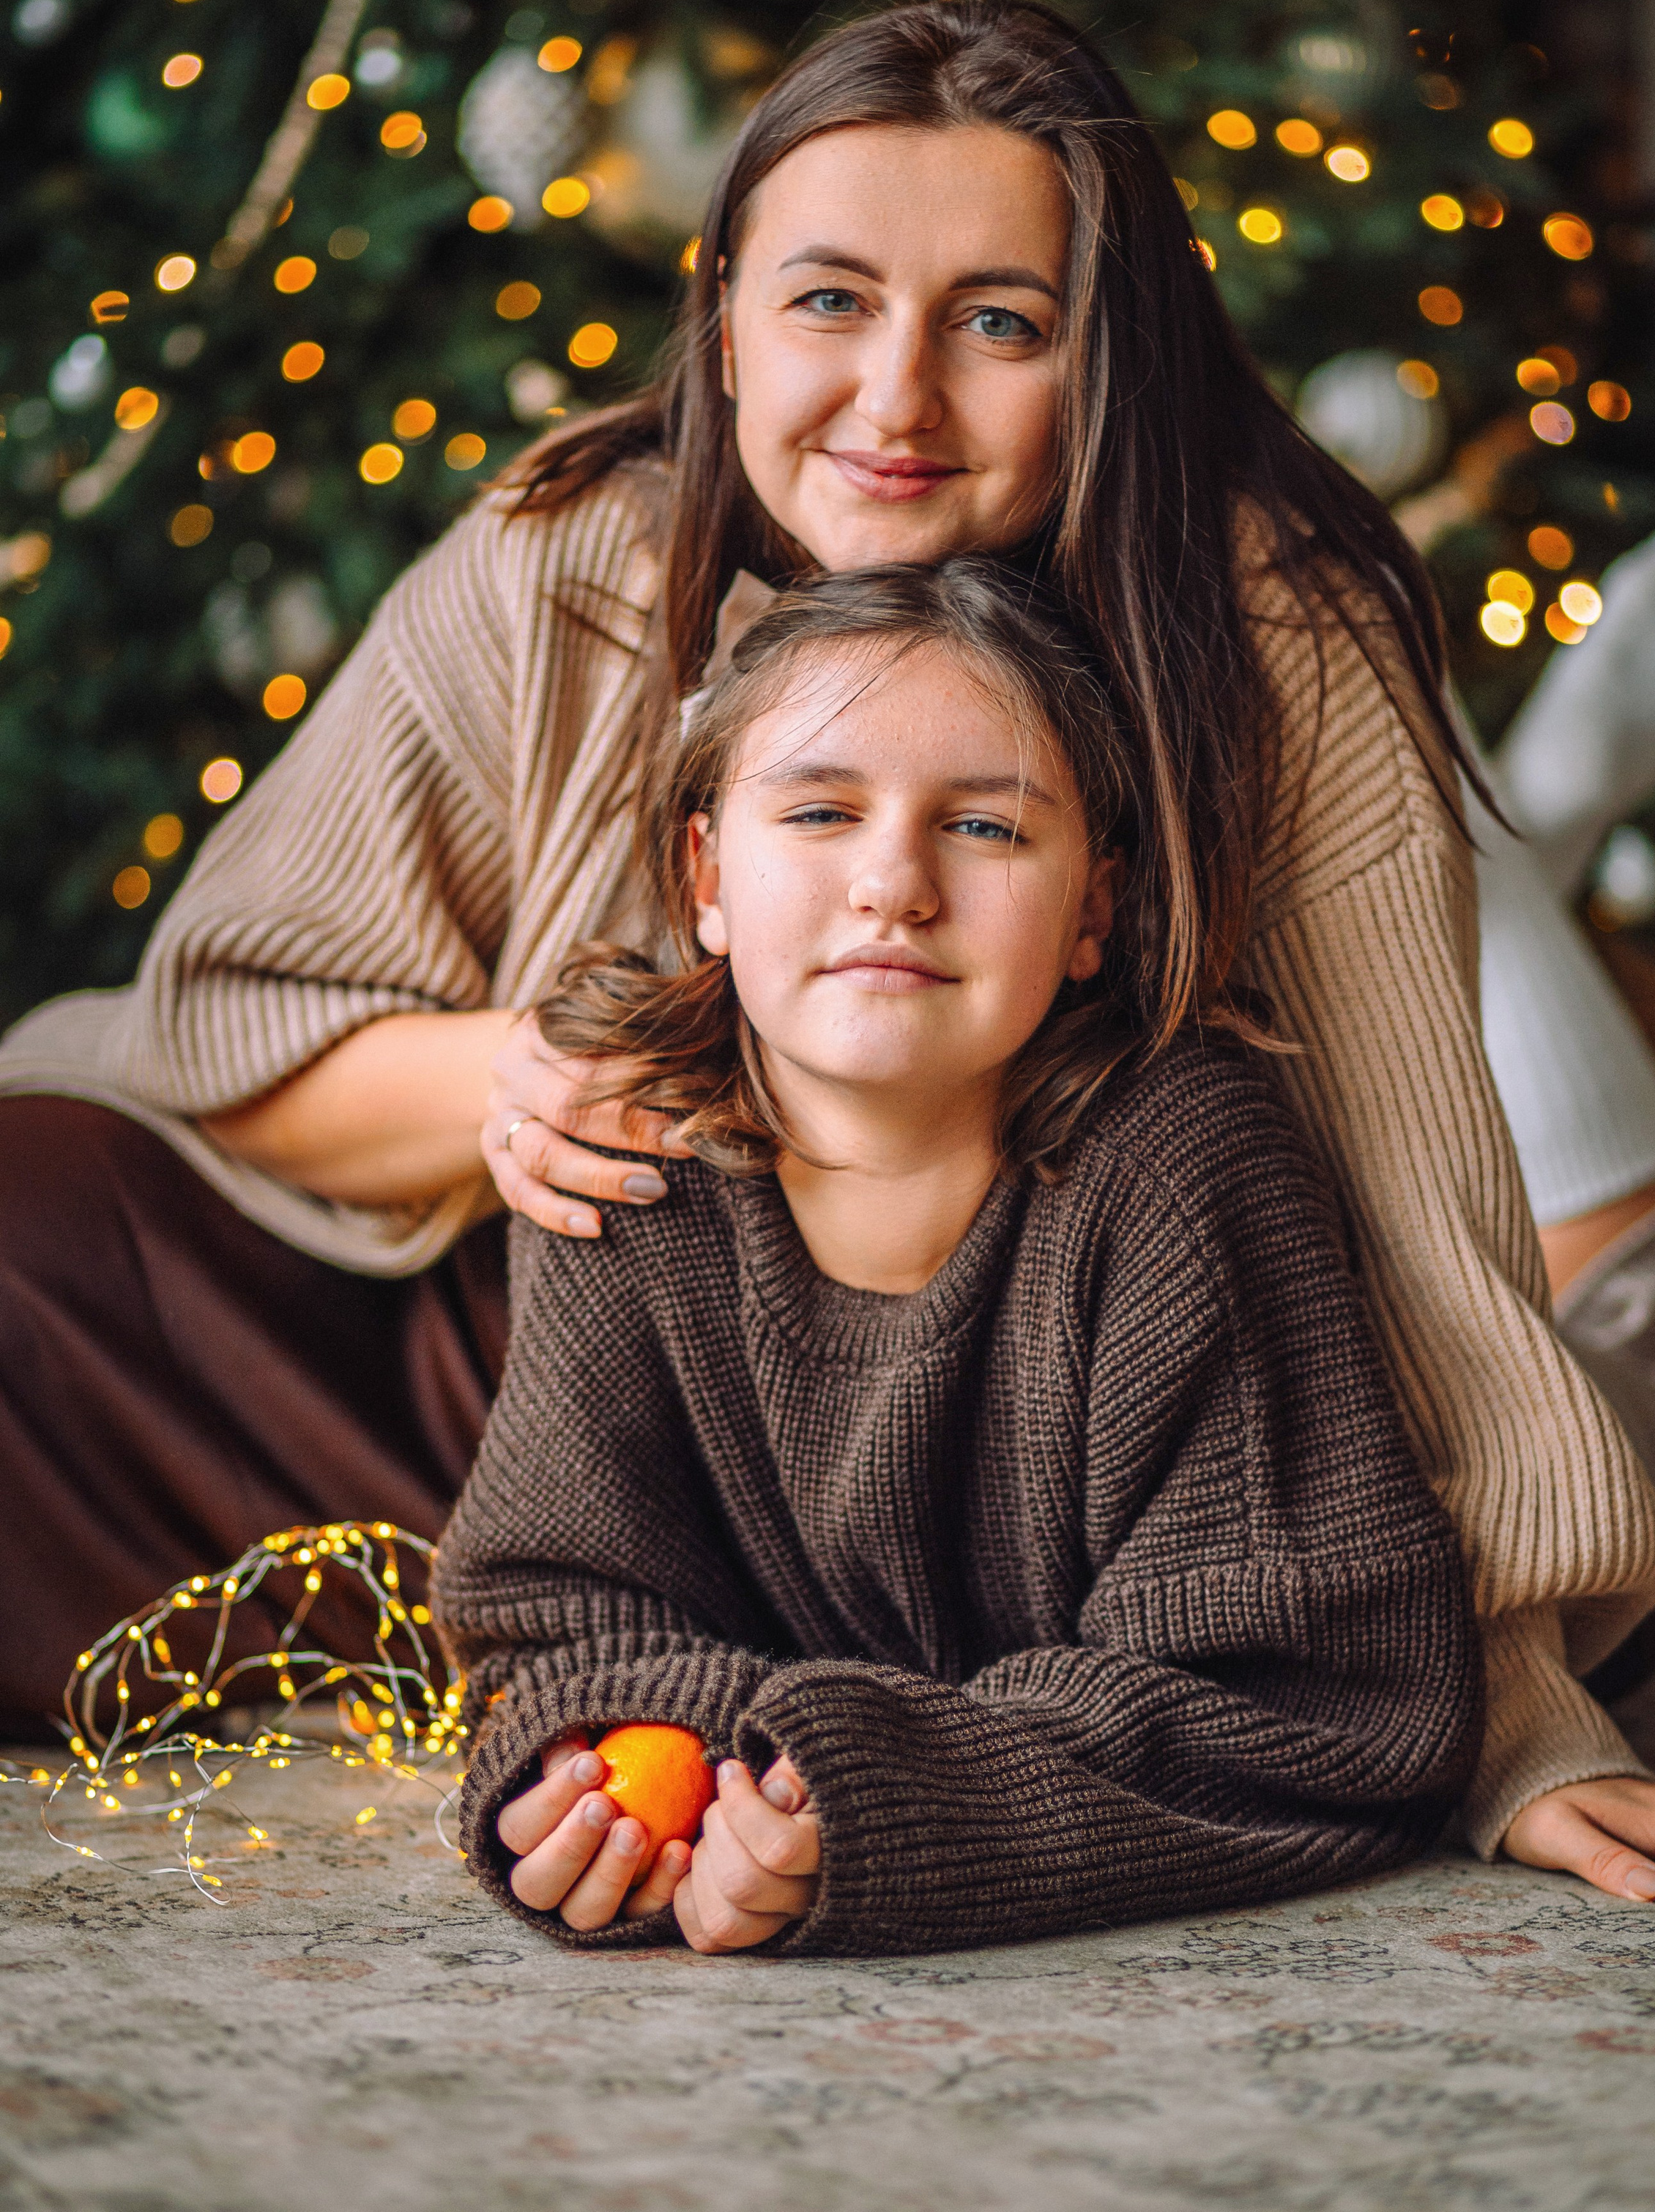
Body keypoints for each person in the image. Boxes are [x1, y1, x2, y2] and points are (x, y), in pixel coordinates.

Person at [4, 0, 1655, 1906]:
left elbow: (1412, 1228)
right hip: (661, 1378)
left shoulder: (1275, 633)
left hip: (1174, 1371)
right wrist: (523, 1081)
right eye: (827, 302)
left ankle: (1613, 1040)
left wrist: (1512, 1716)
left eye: (1000, 322)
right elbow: (228, 1020)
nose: (894, 401)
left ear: (1103, 361)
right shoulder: (557, 563)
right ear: (725, 314)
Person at [435, 561, 1484, 1955]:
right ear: (706, 878)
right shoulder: (622, 1163)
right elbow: (561, 1613)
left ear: (1094, 911)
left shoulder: (1181, 1167)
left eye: (985, 828)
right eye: (818, 812)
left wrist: (894, 1809)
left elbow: (1312, 1704)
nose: (894, 887)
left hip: (1637, 1438)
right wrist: (608, 1770)